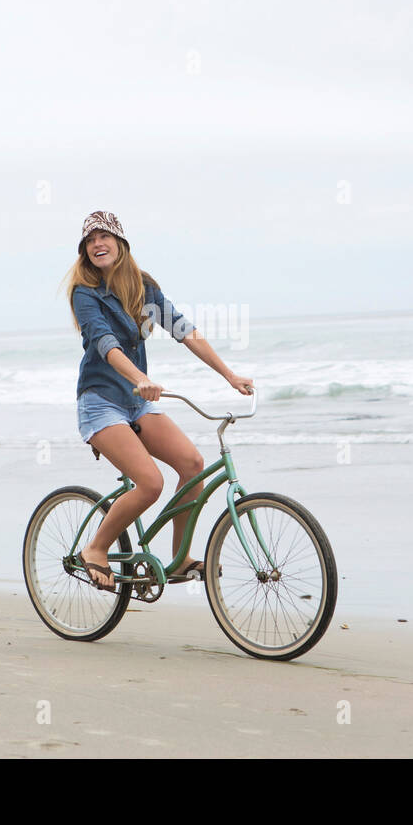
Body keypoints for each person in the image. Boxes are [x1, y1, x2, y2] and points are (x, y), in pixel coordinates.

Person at [63, 210, 253, 592]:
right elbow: (104, 344)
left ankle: (179, 556)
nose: (98, 243)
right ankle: (96, 548)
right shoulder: (85, 293)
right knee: (149, 483)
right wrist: (140, 378)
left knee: (193, 465)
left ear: (121, 243)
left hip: (136, 402)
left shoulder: (143, 288)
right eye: (90, 240)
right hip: (101, 401)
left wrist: (229, 375)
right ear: (85, 251)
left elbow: (184, 330)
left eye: (105, 236)